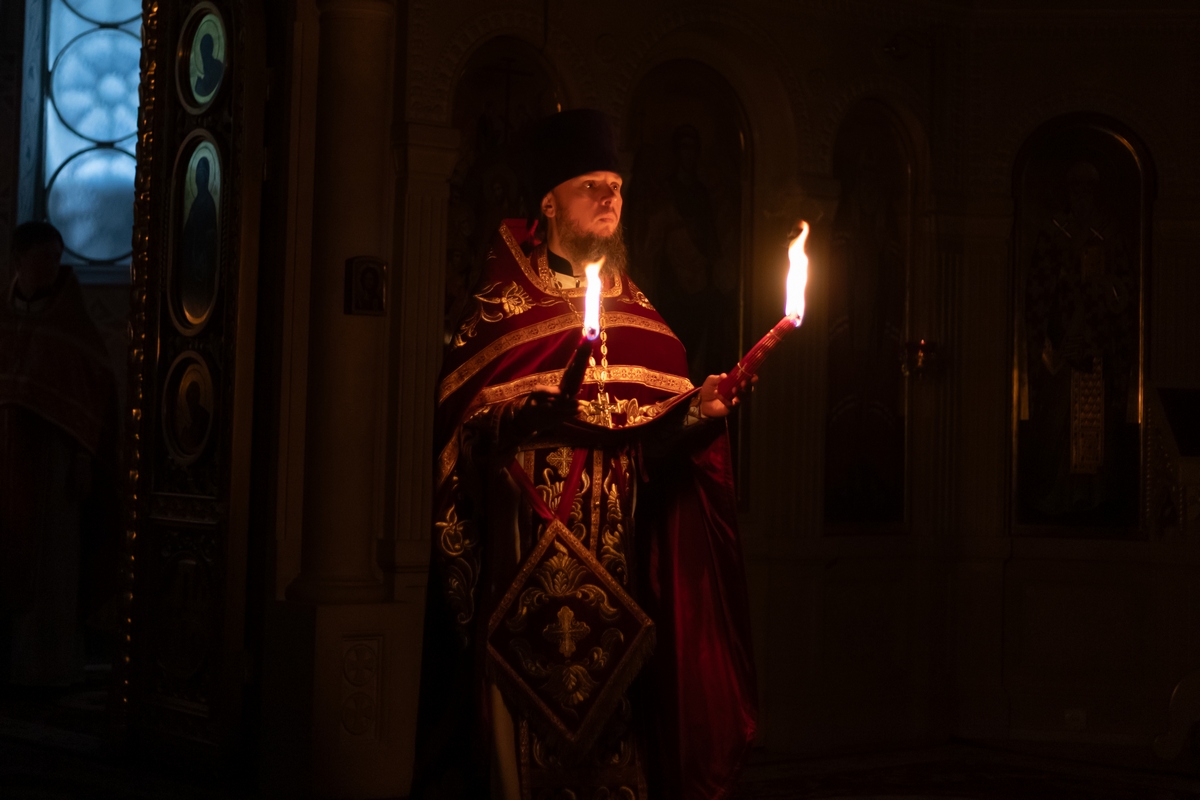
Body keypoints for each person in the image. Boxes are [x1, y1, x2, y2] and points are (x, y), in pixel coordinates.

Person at [414, 110, 757, 799]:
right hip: (521, 584)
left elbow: (653, 458)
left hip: (618, 594)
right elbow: (460, 437)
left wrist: (697, 413)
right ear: (548, 204)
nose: (609, 198)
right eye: (590, 186)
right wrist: (521, 416)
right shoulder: (500, 311)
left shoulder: (644, 321)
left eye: (616, 187)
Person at [0, 222, 120, 686]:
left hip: (54, 464)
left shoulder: (71, 322)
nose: (54, 266)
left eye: (57, 256)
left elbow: (96, 391)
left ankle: (46, 668)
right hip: (7, 457)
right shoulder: (6, 313)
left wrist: (85, 458)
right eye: (44, 257)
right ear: (19, 259)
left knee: (51, 565)